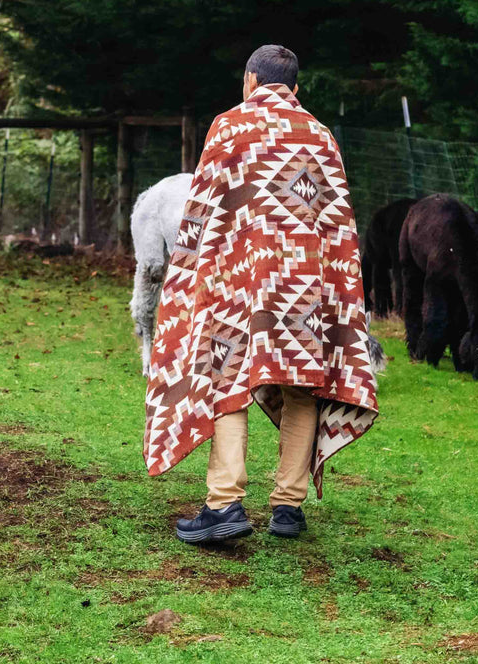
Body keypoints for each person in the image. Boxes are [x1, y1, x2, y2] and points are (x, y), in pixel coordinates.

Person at [142, 44, 379, 544]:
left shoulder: (229, 126)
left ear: (250, 80)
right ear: (295, 88)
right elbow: (337, 224)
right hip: (303, 286)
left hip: (237, 282)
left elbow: (203, 214)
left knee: (227, 374)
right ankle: (288, 507)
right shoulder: (319, 135)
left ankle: (224, 502)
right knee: (302, 383)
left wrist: (190, 280)